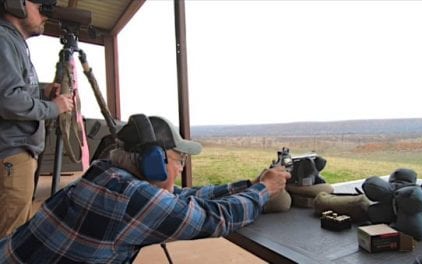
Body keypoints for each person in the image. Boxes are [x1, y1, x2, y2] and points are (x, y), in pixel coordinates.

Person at [0, 114, 290, 263]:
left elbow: (183, 197)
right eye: (180, 159)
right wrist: (265, 190)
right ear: (156, 162)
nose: (181, 168)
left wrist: (249, 185)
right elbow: (214, 218)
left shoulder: (106, 174)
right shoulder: (133, 198)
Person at [0, 0, 74, 237]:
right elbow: (9, 101)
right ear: (15, 5)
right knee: (10, 239)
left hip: (16, 153)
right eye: (40, 5)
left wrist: (42, 95)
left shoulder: (13, 43)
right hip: (11, 152)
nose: (45, 13)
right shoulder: (3, 40)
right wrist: (53, 107)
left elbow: (14, 92)